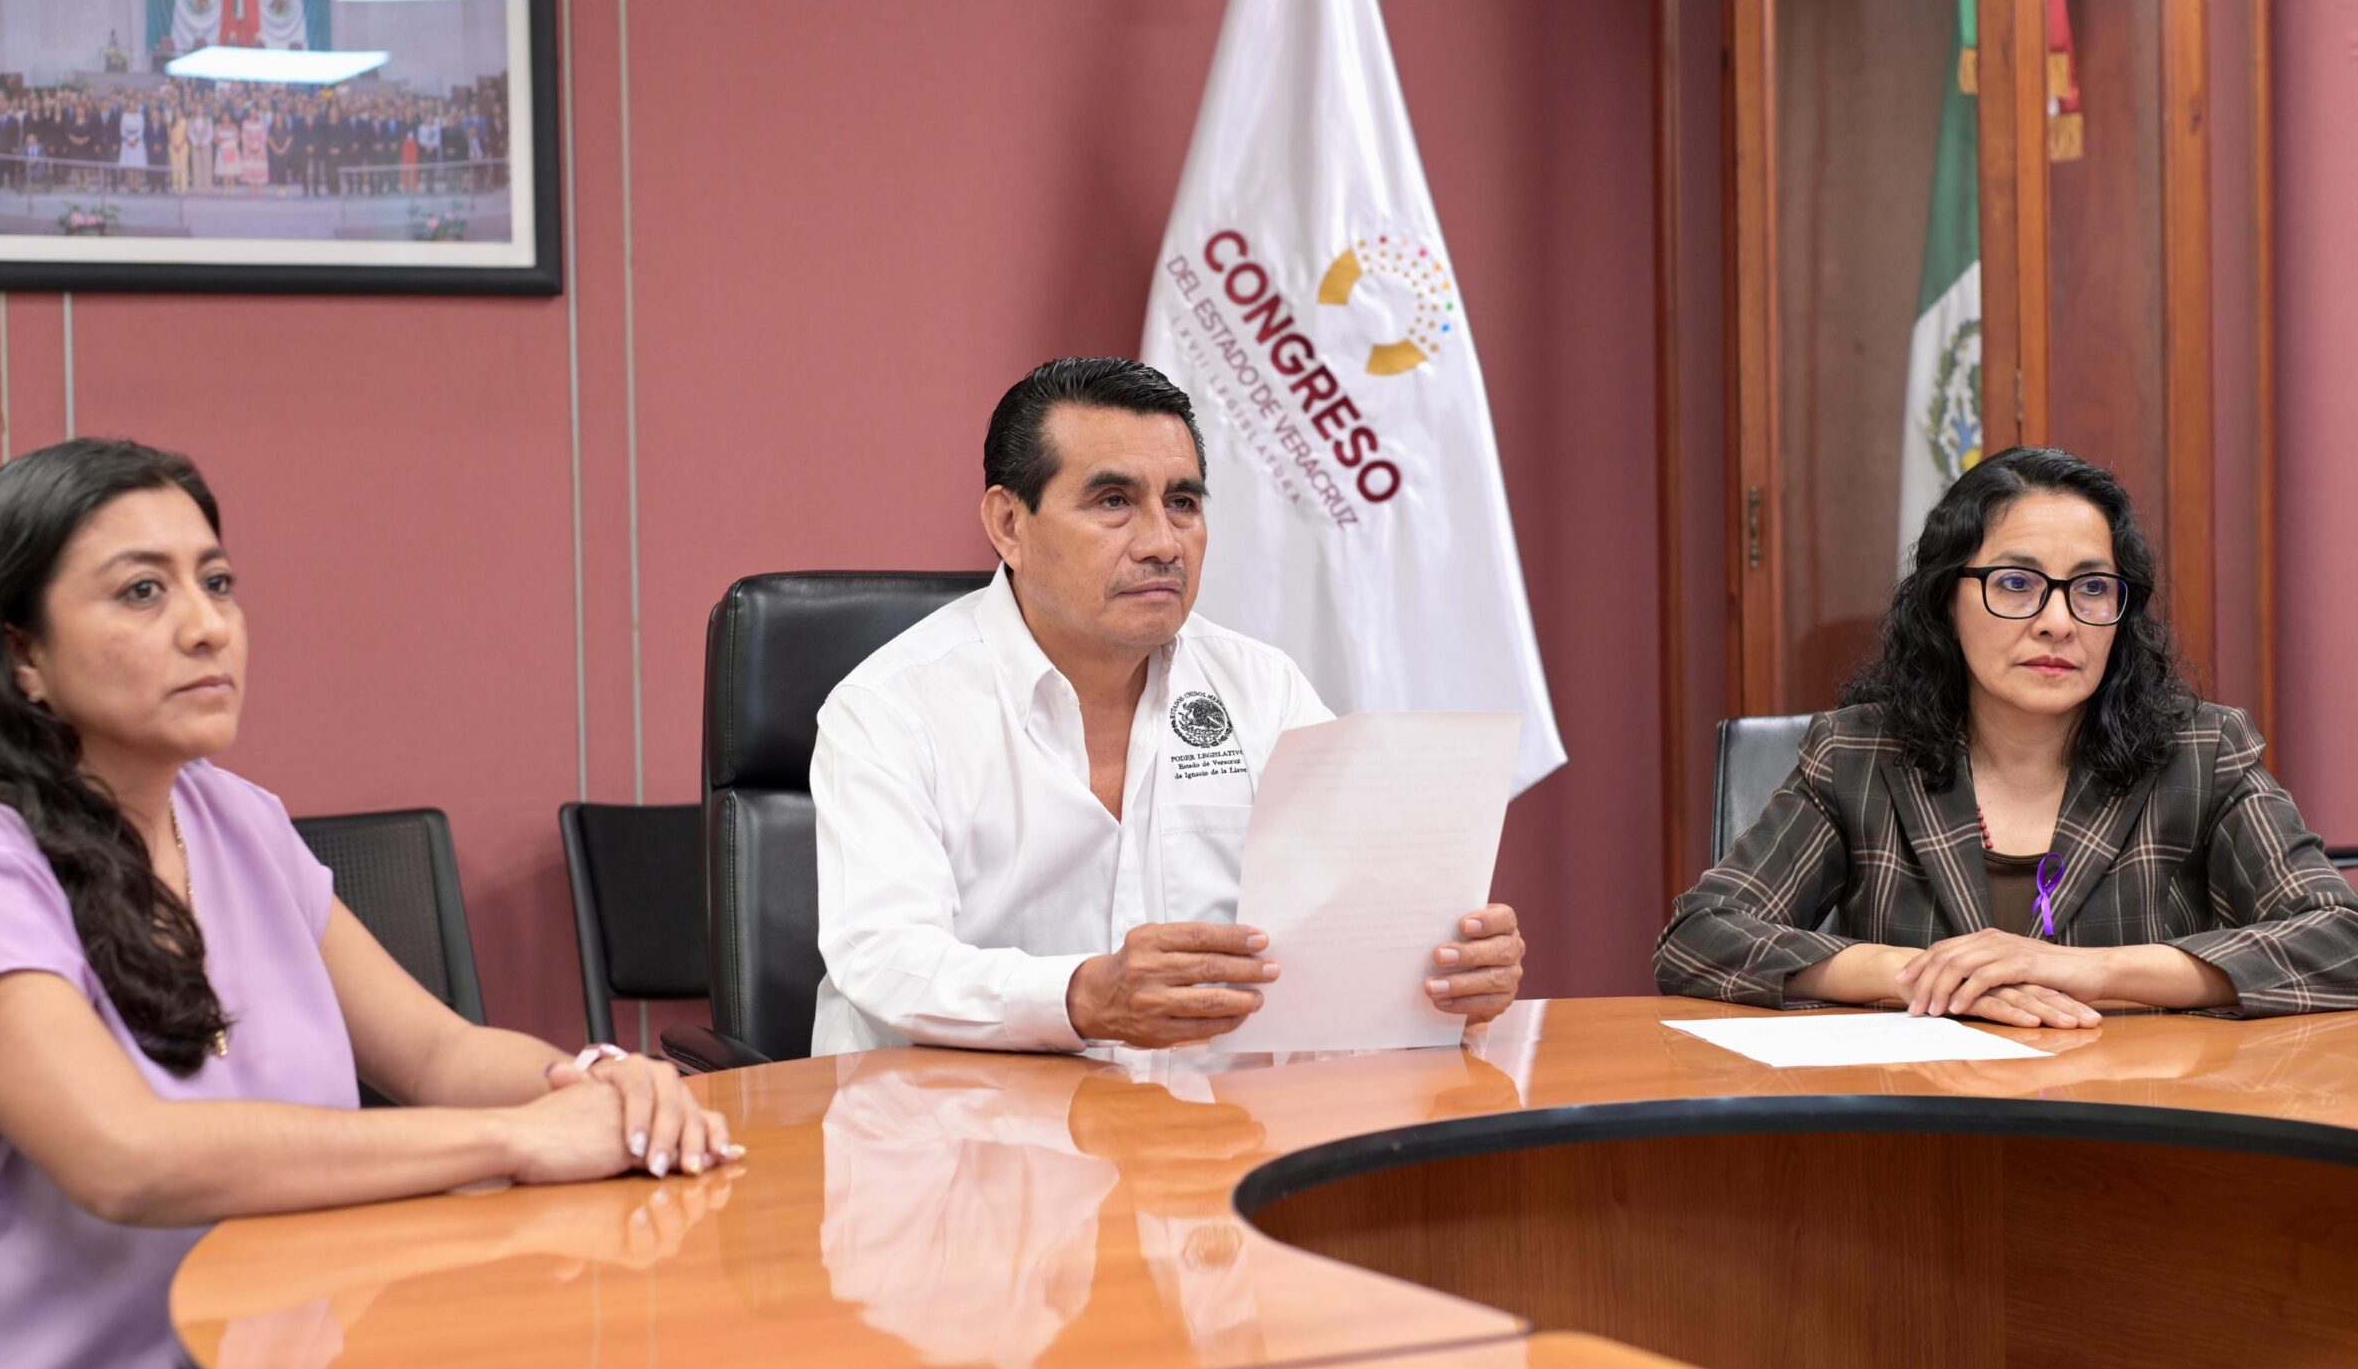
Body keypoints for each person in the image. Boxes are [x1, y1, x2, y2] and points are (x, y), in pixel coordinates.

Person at [0, 440, 737, 1369]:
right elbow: (127, 1159)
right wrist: (520, 1139)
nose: (207, 626)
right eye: (141, 592)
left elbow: (439, 1052)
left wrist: (598, 1086)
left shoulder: (233, 820)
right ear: (21, 656)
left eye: (216, 582)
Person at [809, 357, 1526, 1055]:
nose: (1161, 543)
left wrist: (1445, 976)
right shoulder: (890, 707)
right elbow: (884, 955)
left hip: (1206, 1115)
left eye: (1182, 503)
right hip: (954, 1118)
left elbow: (1357, 919)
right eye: (1113, 502)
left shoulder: (1262, 689)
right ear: (1008, 524)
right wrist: (1080, 998)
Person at [1654, 446, 2358, 1024]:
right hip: (1922, 1126)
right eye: (2017, 583)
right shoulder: (1860, 754)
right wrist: (1928, 974)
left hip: (2138, 1122)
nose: (2058, 622)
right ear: (1944, 599)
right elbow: (1701, 937)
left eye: (2092, 588)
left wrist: (2083, 970)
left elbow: (2340, 940)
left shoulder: (2200, 751)